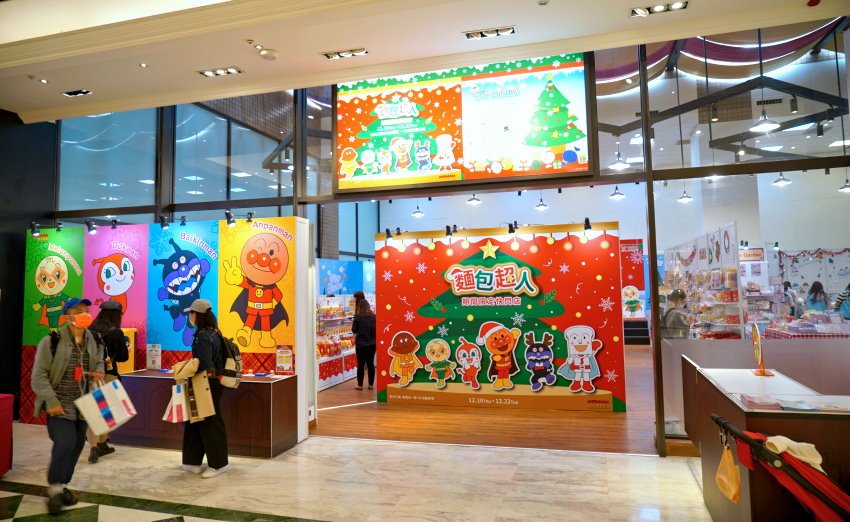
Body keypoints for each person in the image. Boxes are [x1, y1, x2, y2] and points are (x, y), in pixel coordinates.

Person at [31, 297, 105, 515]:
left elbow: (99, 361)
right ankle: (54, 489)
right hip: (59, 403)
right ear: (67, 317)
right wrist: (51, 401)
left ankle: (63, 485)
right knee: (65, 442)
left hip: (83, 404)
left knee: (77, 445)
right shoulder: (51, 341)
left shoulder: (94, 339)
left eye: (86, 310)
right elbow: (38, 376)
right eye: (78, 311)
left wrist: (99, 370)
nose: (84, 314)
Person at [182, 298, 229, 479]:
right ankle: (192, 462)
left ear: (197, 315)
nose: (190, 317)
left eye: (191, 313)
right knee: (197, 421)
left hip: (206, 383)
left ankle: (218, 464)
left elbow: (203, 363)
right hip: (212, 383)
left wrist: (184, 369)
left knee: (209, 422)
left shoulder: (202, 335)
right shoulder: (215, 333)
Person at [86, 300, 130, 463]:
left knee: (94, 411)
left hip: (91, 376)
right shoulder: (116, 333)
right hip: (109, 375)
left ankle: (95, 445)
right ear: (116, 315)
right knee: (107, 411)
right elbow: (123, 357)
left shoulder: (90, 330)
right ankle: (102, 443)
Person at [351, 298, 377, 390]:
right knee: (370, 363)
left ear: (359, 307)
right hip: (372, 343)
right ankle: (371, 384)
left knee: (361, 364)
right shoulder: (374, 316)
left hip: (361, 344)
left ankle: (360, 385)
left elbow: (354, 330)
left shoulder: (357, 317)